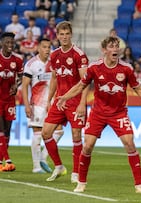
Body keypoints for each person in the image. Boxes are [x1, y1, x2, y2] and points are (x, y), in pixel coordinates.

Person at [56, 36, 141, 193]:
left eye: (117, 46)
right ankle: (81, 182)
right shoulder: (94, 67)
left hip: (119, 113)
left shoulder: (126, 68)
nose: (116, 49)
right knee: (87, 146)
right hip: (98, 113)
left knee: (129, 143)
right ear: (104, 50)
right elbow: (80, 85)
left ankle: (139, 185)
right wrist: (65, 97)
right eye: (112, 46)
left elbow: (138, 89)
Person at [41, 21, 89, 183]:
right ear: (57, 36)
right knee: (45, 133)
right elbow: (54, 78)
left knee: (76, 135)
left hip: (75, 101)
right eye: (61, 34)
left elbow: (85, 81)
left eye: (67, 33)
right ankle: (59, 166)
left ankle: (76, 172)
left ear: (71, 34)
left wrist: (83, 103)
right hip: (59, 101)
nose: (64, 37)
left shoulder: (79, 55)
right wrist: (49, 100)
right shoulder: (54, 55)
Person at [22, 37, 64, 174]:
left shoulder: (54, 63)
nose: (47, 50)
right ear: (38, 48)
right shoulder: (31, 64)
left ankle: (43, 157)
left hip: (51, 103)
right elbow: (24, 86)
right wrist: (27, 105)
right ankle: (36, 166)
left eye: (49, 47)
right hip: (37, 104)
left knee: (59, 131)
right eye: (44, 47)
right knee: (38, 134)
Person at [0, 32, 24, 172]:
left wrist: (17, 85)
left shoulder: (18, 60)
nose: (10, 45)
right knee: (1, 128)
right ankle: (7, 160)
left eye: (12, 43)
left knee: (7, 130)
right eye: (7, 42)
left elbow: (21, 77)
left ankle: (0, 161)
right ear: (2, 43)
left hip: (9, 100)